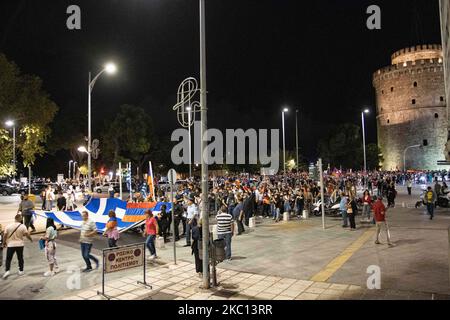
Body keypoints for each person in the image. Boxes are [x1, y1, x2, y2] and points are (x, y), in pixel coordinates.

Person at [2, 214, 33, 279]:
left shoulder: (9, 226)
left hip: (11, 245)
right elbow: (26, 234)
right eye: (21, 218)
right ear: (20, 219)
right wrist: (30, 239)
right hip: (20, 245)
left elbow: (5, 235)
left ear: (15, 219)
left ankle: (7, 271)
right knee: (20, 258)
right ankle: (21, 271)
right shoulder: (23, 226)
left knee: (8, 258)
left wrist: (4, 243)